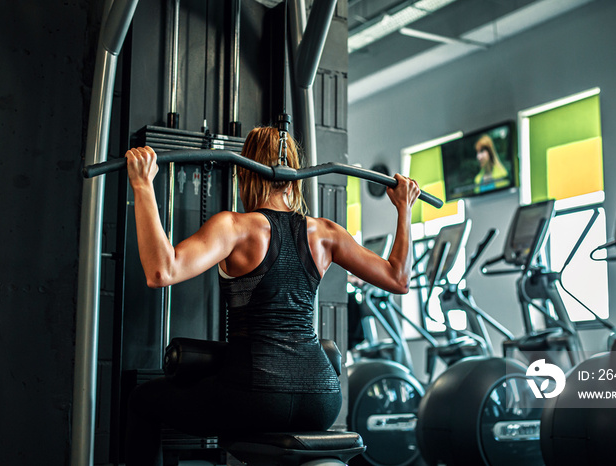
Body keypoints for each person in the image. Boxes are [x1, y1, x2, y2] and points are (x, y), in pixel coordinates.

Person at [124, 126, 420, 466]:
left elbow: (162, 271)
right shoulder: (325, 233)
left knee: (142, 400)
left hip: (256, 396)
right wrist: (404, 210)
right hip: (322, 400)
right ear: (294, 176)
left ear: (244, 173)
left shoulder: (235, 227)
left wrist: (143, 185)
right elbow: (399, 279)